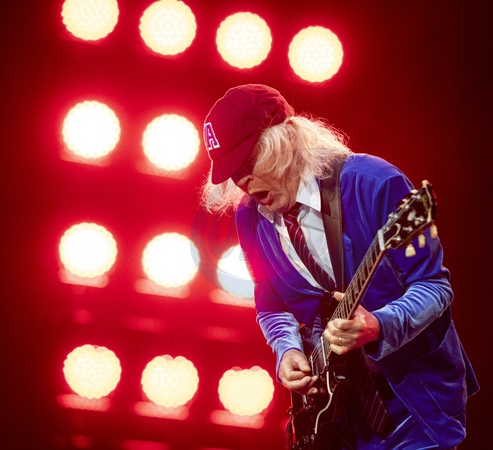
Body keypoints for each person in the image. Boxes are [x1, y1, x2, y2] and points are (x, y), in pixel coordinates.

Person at [200, 84, 478, 450]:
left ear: (283, 142)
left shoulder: (374, 182)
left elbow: (434, 286)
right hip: (337, 417)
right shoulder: (251, 217)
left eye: (248, 164)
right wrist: (287, 350)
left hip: (414, 402)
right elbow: (271, 305)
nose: (243, 183)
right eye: (233, 173)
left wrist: (379, 325)